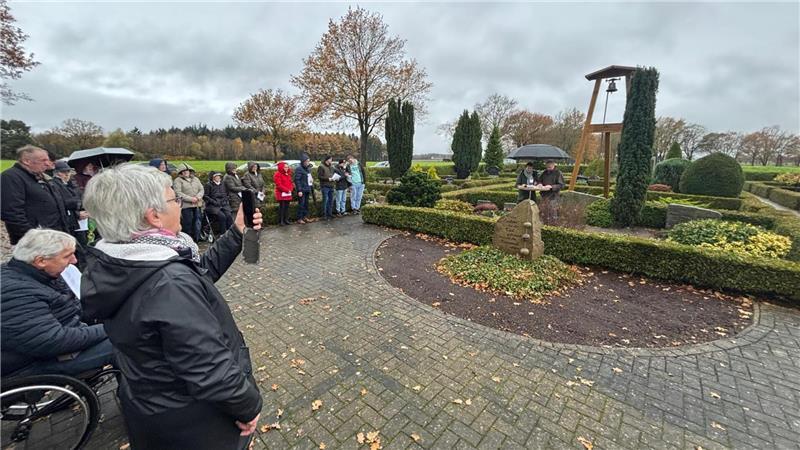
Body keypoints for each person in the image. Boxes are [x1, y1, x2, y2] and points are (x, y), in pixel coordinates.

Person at [81, 164, 263, 450]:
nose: (179, 203)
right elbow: (210, 371)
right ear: (153, 216)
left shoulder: (122, 261)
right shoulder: (168, 283)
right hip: (197, 422)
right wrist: (249, 406)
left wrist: (237, 232)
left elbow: (198, 273)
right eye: (173, 199)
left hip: (158, 410)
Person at [1, 229, 113, 377]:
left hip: (59, 343)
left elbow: (72, 306)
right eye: (67, 256)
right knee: (128, 341)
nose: (74, 260)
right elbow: (53, 340)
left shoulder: (39, 274)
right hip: (35, 364)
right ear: (41, 261)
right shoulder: (15, 292)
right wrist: (110, 328)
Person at [1, 145, 68, 245]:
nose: (47, 164)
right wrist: (32, 236)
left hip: (53, 234)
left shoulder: (41, 176)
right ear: (26, 161)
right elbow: (11, 212)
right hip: (34, 240)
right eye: (43, 160)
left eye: (48, 160)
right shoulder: (11, 177)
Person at [173, 163, 205, 242]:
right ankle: (187, 240)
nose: (186, 172)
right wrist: (191, 199)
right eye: (183, 171)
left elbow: (201, 189)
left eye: (187, 171)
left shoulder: (196, 179)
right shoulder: (178, 181)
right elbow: (178, 193)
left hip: (197, 204)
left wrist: (198, 197)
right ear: (181, 172)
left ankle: (197, 238)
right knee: (188, 223)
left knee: (197, 222)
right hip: (186, 206)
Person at [538, 160, 566, 224]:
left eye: (550, 167)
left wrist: (551, 186)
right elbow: (539, 180)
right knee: (544, 212)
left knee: (552, 212)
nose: (548, 169)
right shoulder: (544, 172)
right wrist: (539, 184)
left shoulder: (558, 173)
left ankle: (553, 225)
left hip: (553, 196)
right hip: (544, 195)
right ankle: (545, 225)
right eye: (547, 167)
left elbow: (562, 185)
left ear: (553, 166)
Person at [293, 153, 313, 224]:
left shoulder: (308, 169)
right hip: (302, 190)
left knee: (306, 204)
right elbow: (297, 180)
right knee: (301, 204)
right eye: (307, 161)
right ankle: (299, 218)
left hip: (307, 189)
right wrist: (299, 190)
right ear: (303, 161)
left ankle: (305, 217)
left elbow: (308, 178)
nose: (308, 162)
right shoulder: (299, 169)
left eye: (309, 161)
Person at [273, 162, 294, 226]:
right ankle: (281, 221)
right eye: (285, 167)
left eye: (287, 167)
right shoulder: (277, 174)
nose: (286, 168)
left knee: (287, 208)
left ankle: (286, 220)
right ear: (281, 167)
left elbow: (291, 183)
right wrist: (287, 190)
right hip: (281, 193)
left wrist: (291, 189)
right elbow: (279, 185)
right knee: (282, 207)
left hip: (287, 193)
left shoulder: (288, 174)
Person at [317, 155, 336, 221]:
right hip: (325, 186)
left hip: (331, 186)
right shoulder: (321, 167)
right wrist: (328, 179)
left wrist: (335, 178)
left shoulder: (332, 167)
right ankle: (324, 215)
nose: (331, 160)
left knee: (330, 201)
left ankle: (329, 214)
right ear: (327, 160)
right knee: (325, 201)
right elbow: (319, 177)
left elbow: (334, 174)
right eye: (330, 159)